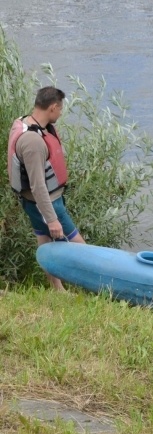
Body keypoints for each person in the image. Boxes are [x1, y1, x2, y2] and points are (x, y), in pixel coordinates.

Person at [7, 86, 87, 291]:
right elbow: (37, 185)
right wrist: (51, 218)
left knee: (44, 241)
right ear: (52, 107)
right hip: (47, 203)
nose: (60, 113)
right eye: (60, 109)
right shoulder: (33, 141)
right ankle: (100, 287)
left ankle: (58, 290)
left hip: (35, 203)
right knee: (81, 247)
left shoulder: (25, 122)